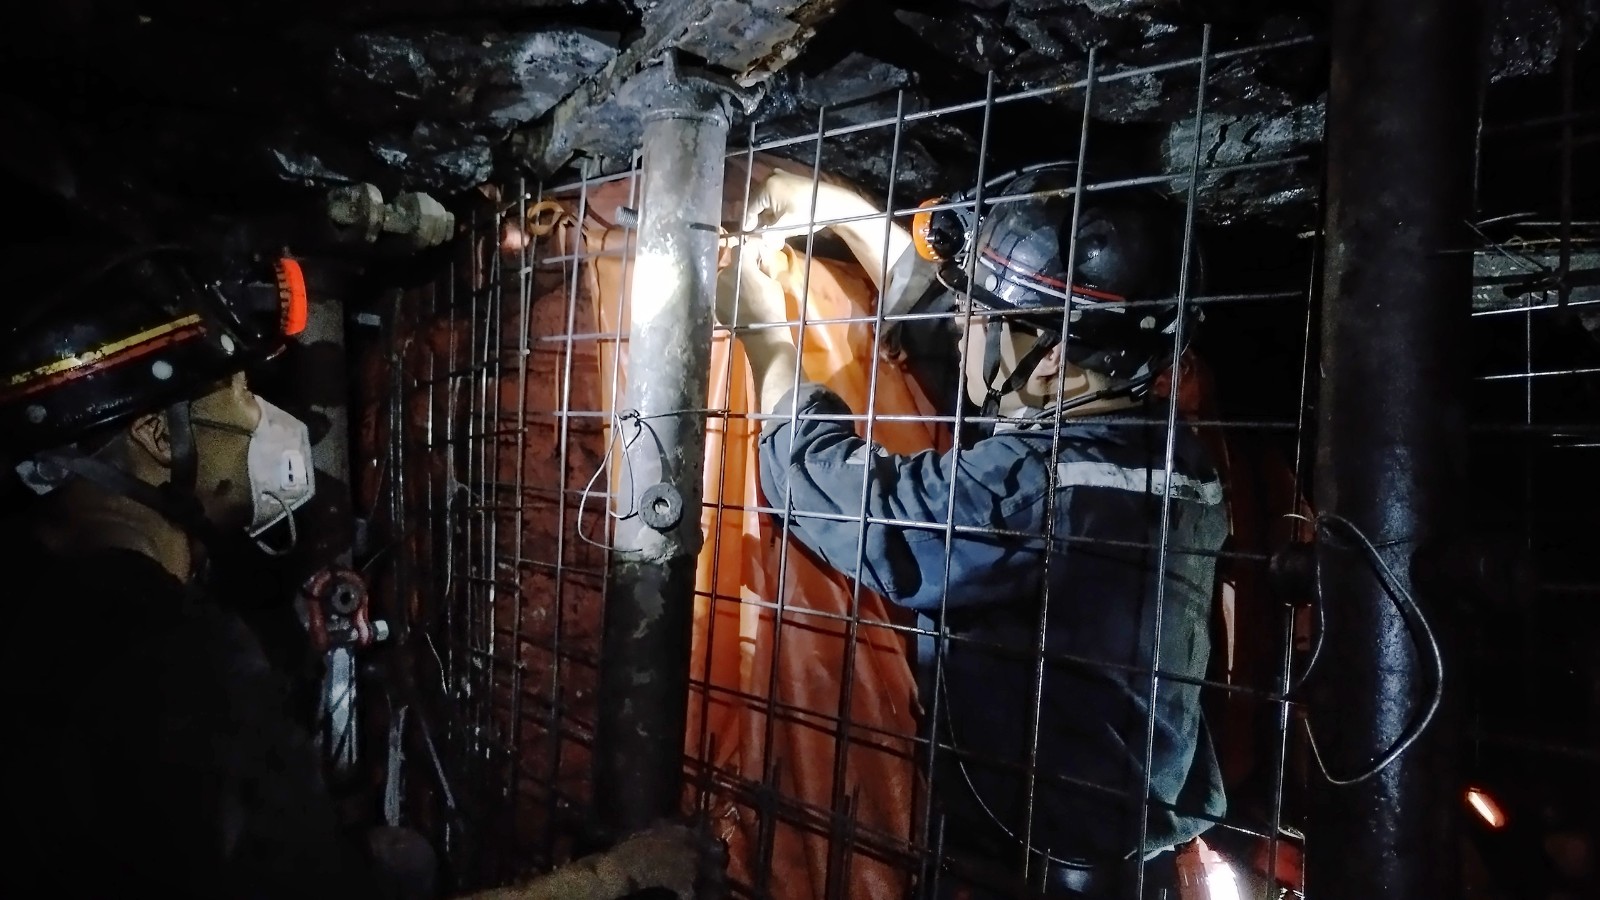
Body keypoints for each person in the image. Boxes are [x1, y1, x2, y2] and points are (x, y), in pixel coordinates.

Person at [0, 242, 716, 898]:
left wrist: (286, 638)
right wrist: (613, 879)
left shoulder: (59, 619)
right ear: (159, 437)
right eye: (239, 395)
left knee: (397, 860)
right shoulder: (172, 658)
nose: (259, 421)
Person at [720, 166, 1229, 898]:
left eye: (976, 319)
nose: (960, 327)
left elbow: (845, 498)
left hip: (1034, 868)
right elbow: (975, 347)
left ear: (1053, 358)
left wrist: (765, 333)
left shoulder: (1041, 492)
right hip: (1132, 858)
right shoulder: (1163, 451)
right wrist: (834, 208)